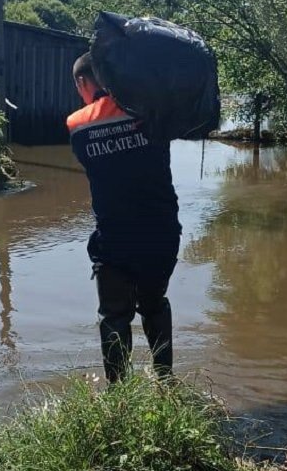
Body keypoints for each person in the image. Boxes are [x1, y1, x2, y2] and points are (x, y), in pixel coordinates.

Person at [66, 52, 181, 383]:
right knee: (155, 304)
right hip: (162, 233)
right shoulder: (150, 111)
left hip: (115, 238)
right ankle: (165, 381)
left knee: (114, 315)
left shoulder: (77, 125)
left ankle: (118, 395)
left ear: (83, 82)